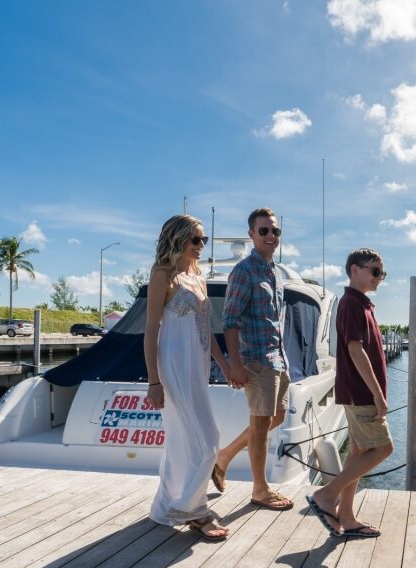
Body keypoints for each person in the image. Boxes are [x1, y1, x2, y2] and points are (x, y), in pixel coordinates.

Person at [145, 215, 234, 540]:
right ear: (178, 238)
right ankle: (193, 511)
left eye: (204, 241)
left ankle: (166, 506)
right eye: (195, 239)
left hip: (196, 368)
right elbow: (151, 330)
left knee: (182, 440)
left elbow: (206, 329)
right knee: (207, 440)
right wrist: (153, 381)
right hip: (174, 366)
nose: (200, 246)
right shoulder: (162, 275)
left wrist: (224, 366)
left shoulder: (197, 277)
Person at [212, 207, 294, 511]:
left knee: (278, 418)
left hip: (278, 359)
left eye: (275, 231)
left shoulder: (275, 272)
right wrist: (235, 365)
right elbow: (230, 322)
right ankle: (260, 490)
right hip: (257, 359)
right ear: (251, 235)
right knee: (260, 427)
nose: (271, 236)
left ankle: (225, 455)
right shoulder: (243, 271)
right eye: (264, 231)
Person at [306, 248, 392, 537]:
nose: (380, 278)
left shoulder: (362, 304)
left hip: (358, 393)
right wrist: (378, 394)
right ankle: (327, 496)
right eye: (375, 271)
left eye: (382, 273)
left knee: (359, 453)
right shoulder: (352, 304)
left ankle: (347, 516)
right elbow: (355, 350)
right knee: (383, 448)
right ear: (355, 269)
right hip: (361, 394)